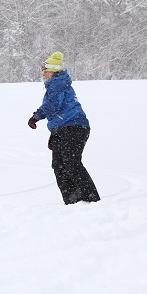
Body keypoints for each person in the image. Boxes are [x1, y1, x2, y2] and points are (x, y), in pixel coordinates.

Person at [28, 52, 100, 205]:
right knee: (59, 165)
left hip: (74, 127)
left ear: (54, 71)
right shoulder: (57, 85)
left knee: (71, 162)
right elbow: (58, 113)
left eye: (45, 70)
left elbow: (53, 106)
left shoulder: (58, 83)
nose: (43, 74)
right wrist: (54, 135)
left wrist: (36, 116)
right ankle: (73, 201)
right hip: (66, 128)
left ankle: (91, 200)